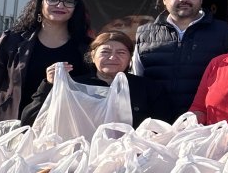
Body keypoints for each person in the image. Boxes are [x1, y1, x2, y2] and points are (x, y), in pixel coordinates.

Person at [0, 0, 93, 125]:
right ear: (40, 4)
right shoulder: (12, 41)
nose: (60, 5)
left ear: (75, 8)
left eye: (68, 1)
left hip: (64, 127)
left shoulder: (85, 46)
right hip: (15, 125)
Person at [131, 0, 228, 122]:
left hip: (204, 125)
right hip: (156, 125)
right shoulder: (144, 34)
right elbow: (137, 81)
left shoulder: (225, 33)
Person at [19, 30, 169, 127]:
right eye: (105, 51)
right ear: (92, 55)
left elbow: (162, 128)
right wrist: (49, 85)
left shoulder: (148, 89)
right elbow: (30, 121)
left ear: (130, 58)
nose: (112, 57)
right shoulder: (75, 86)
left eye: (121, 53)